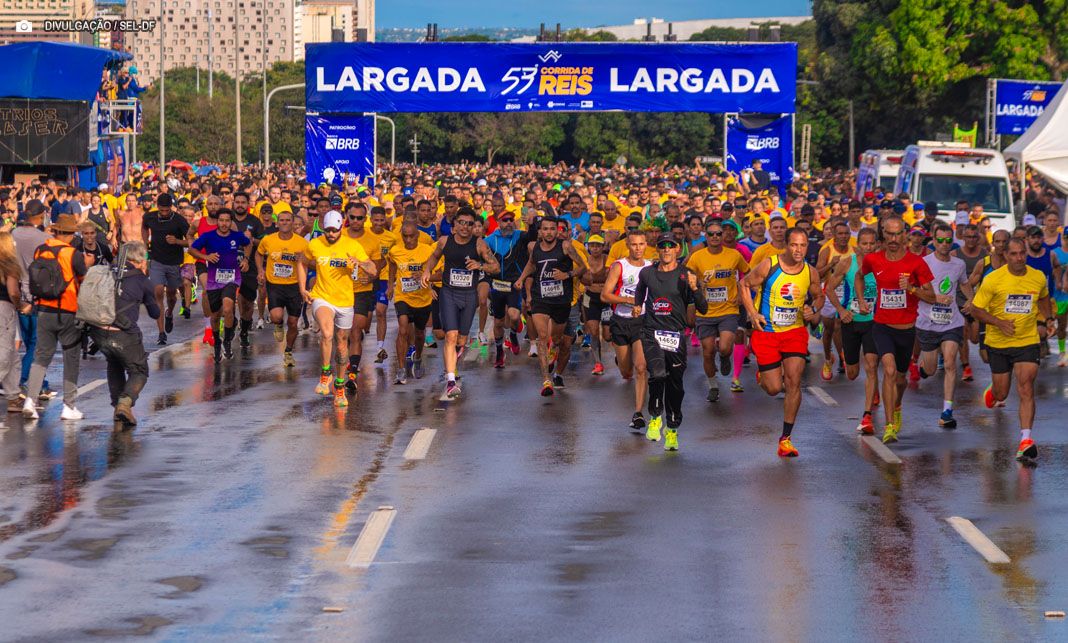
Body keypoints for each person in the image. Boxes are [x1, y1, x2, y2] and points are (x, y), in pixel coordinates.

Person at [970, 238, 1055, 462]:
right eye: (1014, 254)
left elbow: (1044, 297)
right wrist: (999, 323)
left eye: (1022, 254)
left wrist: (1048, 319)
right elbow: (976, 309)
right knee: (1002, 394)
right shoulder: (993, 280)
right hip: (998, 342)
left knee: (1026, 386)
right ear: (1005, 256)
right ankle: (993, 392)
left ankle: (1026, 440)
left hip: (1027, 340)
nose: (1019, 258)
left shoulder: (1036, 276)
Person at [855, 216, 938, 444]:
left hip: (907, 329)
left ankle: (897, 404)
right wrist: (861, 299)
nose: (892, 239)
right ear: (883, 234)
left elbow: (931, 297)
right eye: (888, 234)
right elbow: (860, 276)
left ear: (905, 235)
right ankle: (890, 426)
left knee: (900, 378)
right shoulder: (873, 260)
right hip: (882, 326)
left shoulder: (916, 263)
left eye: (897, 234)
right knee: (889, 370)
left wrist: (911, 289)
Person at [741, 227, 823, 457]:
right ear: (786, 245)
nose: (799, 250)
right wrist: (752, 313)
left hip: (795, 332)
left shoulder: (810, 272)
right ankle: (764, 377)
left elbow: (819, 295)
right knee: (774, 388)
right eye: (794, 245)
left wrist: (813, 308)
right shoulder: (770, 265)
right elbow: (744, 285)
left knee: (794, 381)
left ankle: (785, 438)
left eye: (803, 245)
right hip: (766, 333)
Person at [633, 232, 707, 450]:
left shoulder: (686, 275)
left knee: (675, 385)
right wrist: (638, 305)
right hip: (651, 332)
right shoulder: (647, 273)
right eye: (662, 246)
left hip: (675, 335)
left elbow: (703, 308)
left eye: (670, 246)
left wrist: (696, 288)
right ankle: (655, 417)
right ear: (657, 249)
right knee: (657, 373)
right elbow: (640, 292)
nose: (666, 249)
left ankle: (672, 429)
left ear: (678, 249)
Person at [421, 206, 499, 398]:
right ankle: (450, 380)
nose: (465, 227)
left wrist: (480, 264)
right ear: (454, 224)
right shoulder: (444, 241)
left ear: (474, 227)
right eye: (461, 222)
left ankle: (453, 361)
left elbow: (495, 267)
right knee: (450, 335)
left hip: (469, 295)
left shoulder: (479, 244)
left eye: (469, 224)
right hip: (449, 292)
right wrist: (426, 271)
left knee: (461, 339)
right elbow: (433, 258)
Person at [22, 214, 95, 421]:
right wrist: (87, 263)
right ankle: (69, 406)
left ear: (55, 231)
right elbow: (83, 278)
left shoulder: (41, 250)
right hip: (67, 311)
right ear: (71, 234)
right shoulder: (72, 254)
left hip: (44, 309)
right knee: (71, 358)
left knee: (41, 357)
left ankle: (30, 401)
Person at [300, 210, 376, 406]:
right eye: (328, 230)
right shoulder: (315, 244)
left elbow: (373, 269)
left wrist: (360, 263)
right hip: (322, 297)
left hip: (345, 301)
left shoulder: (352, 245)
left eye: (335, 230)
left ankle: (340, 386)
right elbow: (302, 262)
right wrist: (302, 288)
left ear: (342, 227)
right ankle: (325, 373)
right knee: (327, 332)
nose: (331, 234)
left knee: (342, 343)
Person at [87, 241, 159, 426]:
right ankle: (125, 403)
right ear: (140, 259)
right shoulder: (143, 280)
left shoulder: (106, 271)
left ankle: (117, 408)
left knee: (114, 363)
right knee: (139, 370)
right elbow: (155, 314)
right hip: (123, 333)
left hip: (97, 332)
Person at [513, 216, 586, 396]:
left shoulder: (566, 246)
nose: (549, 232)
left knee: (557, 338)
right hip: (541, 298)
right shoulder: (535, 247)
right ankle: (546, 379)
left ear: (557, 230)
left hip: (562, 300)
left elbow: (583, 267)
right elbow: (531, 264)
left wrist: (567, 274)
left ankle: (554, 349)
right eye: (545, 229)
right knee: (542, 336)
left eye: (552, 229)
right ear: (540, 231)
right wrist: (521, 279)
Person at [914, 224, 974, 430]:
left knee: (949, 363)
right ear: (933, 240)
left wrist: (971, 299)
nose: (944, 244)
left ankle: (947, 411)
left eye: (948, 240)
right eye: (940, 240)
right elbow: (914, 291)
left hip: (952, 322)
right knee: (930, 370)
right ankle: (923, 367)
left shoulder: (958, 264)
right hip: (927, 323)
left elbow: (964, 283)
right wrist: (934, 297)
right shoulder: (923, 263)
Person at [825, 227, 881, 433]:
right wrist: (840, 310)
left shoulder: (882, 264)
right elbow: (829, 289)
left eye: (871, 243)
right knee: (852, 373)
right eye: (864, 243)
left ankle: (866, 416)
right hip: (851, 321)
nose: (868, 247)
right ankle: (869, 385)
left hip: (874, 322)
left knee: (872, 365)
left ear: (876, 244)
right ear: (859, 245)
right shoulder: (847, 263)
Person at [686, 218, 749, 402]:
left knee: (724, 347)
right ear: (706, 235)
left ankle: (725, 357)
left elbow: (748, 273)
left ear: (723, 236)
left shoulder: (734, 255)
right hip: (705, 311)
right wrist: (695, 288)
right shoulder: (698, 256)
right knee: (707, 351)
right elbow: (686, 275)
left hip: (728, 309)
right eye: (711, 234)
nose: (715, 237)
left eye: (718, 234)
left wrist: (740, 291)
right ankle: (713, 385)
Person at [601, 229, 652, 431]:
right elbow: (605, 295)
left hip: (642, 322)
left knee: (641, 367)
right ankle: (622, 358)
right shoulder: (619, 266)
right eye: (634, 244)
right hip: (621, 321)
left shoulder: (651, 267)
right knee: (626, 371)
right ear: (628, 246)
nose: (638, 248)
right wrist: (628, 300)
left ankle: (638, 413)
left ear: (646, 245)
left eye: (641, 244)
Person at [188, 209, 251, 362]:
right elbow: (192, 249)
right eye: (221, 220)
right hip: (214, 280)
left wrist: (246, 260)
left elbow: (248, 244)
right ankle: (217, 343)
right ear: (217, 222)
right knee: (215, 315)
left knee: (228, 308)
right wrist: (205, 256)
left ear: (231, 222)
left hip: (232, 278)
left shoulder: (236, 236)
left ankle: (227, 341)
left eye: (227, 221)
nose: (224, 223)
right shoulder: (208, 237)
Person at [255, 210, 308, 368]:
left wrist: (302, 259)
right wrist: (260, 270)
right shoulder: (268, 240)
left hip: (294, 286)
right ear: (277, 223)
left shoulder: (302, 243)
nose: (285, 223)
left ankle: (288, 352)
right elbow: (258, 254)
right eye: (282, 220)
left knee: (293, 323)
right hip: (275, 284)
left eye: (288, 220)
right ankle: (278, 324)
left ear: (293, 223)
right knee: (277, 316)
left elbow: (312, 263)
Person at [12, 200, 52, 399]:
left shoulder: (13, 234)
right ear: (41, 215)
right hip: (36, 293)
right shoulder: (43, 238)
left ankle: (41, 384)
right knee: (38, 343)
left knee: (30, 342)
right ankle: (22, 380)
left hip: (17, 291)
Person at [387, 222, 435, 383]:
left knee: (420, 334)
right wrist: (390, 286)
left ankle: (419, 358)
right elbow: (392, 266)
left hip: (422, 298)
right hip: (403, 296)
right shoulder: (395, 251)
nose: (408, 240)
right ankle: (400, 370)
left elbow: (437, 271)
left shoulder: (427, 251)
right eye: (404, 236)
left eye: (411, 236)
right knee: (403, 330)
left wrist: (424, 274)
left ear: (417, 235)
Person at [142, 193, 190, 345]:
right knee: (157, 291)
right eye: (161, 210)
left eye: (166, 210)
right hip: (156, 260)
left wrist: (176, 241)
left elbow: (191, 241)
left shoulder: (179, 220)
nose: (163, 213)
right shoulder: (150, 217)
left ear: (171, 207)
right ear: (158, 207)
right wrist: (144, 243)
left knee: (170, 295)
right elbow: (144, 227)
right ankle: (161, 333)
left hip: (174, 262)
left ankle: (169, 313)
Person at [484, 207, 529, 368]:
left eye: (511, 220)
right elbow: (479, 252)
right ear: (498, 223)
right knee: (498, 322)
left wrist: (531, 221)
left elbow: (533, 236)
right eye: (505, 220)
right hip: (496, 286)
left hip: (513, 283)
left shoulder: (519, 236)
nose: (509, 223)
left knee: (515, 316)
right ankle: (499, 352)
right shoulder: (489, 240)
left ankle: (513, 334)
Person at [815, 221, 852, 380]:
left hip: (847, 292)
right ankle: (828, 359)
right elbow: (817, 273)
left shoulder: (854, 250)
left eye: (846, 233)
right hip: (829, 292)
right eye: (840, 234)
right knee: (829, 329)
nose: (844, 237)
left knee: (839, 325)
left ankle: (844, 358)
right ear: (834, 236)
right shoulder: (826, 250)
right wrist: (831, 264)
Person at [0, 230, 27, 413]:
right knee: (4, 353)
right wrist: (21, 305)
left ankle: (13, 396)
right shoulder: (10, 264)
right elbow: (13, 292)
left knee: (13, 357)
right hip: (4, 308)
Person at [580, 234, 610, 375]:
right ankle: (598, 363)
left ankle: (620, 354)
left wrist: (592, 280)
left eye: (598, 245)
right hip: (590, 298)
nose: (595, 248)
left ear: (603, 247)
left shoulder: (607, 259)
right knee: (593, 331)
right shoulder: (585, 261)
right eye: (592, 245)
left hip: (606, 299)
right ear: (589, 247)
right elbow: (581, 277)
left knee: (607, 335)